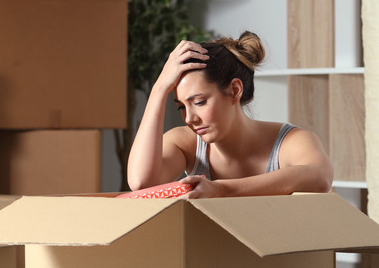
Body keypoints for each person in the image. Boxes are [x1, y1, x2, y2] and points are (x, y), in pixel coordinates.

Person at [126, 31, 333, 198]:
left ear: (234, 90)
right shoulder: (186, 143)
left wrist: (223, 190)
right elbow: (142, 183)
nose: (190, 118)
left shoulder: (290, 141)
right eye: (181, 106)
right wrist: (159, 89)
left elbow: (320, 177)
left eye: (199, 102)